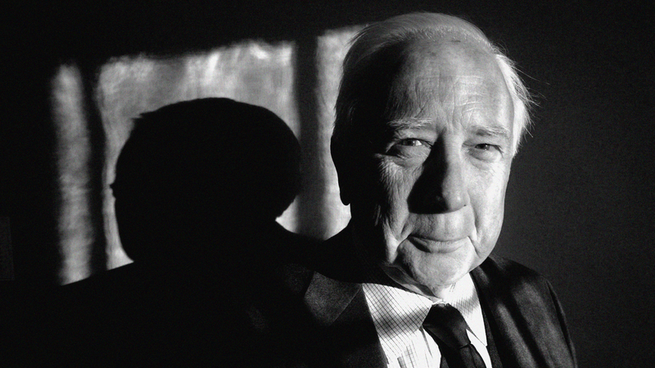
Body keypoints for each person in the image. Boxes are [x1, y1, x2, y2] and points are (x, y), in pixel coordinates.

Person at [272, 13, 577, 368]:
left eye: (483, 147)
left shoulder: (530, 295)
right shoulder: (256, 328)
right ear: (345, 163)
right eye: (412, 143)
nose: (450, 196)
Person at [47, 98, 317, 366]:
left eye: (150, 192)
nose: (126, 208)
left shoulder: (85, 317)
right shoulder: (326, 285)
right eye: (123, 192)